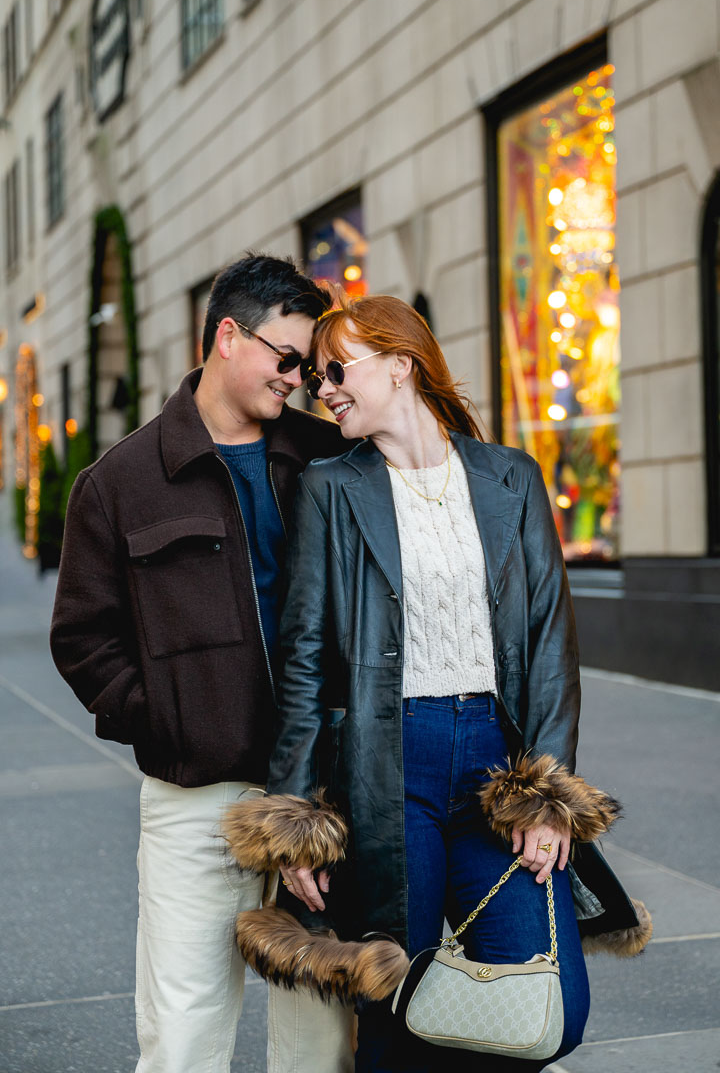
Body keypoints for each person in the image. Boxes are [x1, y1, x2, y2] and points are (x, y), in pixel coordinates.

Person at [225, 291, 652, 1072]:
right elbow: (306, 660)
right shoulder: (331, 487)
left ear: (401, 365)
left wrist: (549, 797)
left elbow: (550, 646)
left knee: (546, 1008)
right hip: (386, 767)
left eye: (338, 370)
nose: (324, 389)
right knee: (395, 1005)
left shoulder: (511, 478)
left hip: (499, 767)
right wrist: (296, 823)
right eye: (317, 377)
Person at [49, 254, 356, 1073]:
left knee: (322, 1040)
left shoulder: (327, 458)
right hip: (199, 804)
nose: (296, 379)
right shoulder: (119, 483)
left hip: (322, 795)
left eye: (307, 366)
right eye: (285, 358)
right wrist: (171, 722)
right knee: (183, 1034)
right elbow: (82, 638)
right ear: (228, 336)